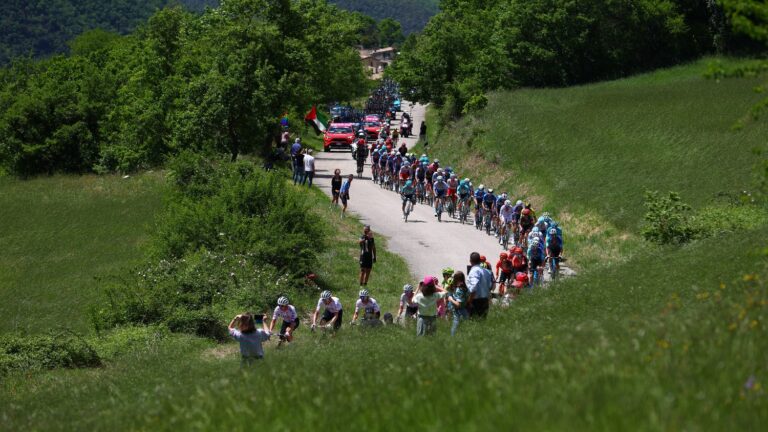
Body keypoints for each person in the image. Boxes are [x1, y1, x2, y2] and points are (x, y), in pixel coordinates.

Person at [467, 252, 494, 318]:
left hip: (475, 302)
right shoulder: (487, 271)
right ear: (479, 261)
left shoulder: (474, 271)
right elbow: (491, 286)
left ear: (470, 261)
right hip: (485, 300)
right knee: (482, 322)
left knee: (474, 322)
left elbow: (473, 287)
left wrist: (469, 302)